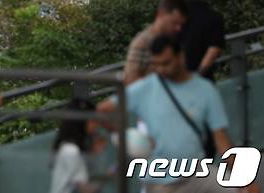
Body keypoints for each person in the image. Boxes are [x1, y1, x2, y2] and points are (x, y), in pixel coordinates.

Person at [98, 36, 260, 193]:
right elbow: (102, 110)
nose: (161, 69)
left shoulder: (204, 90)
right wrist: (125, 136)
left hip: (196, 172)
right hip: (161, 180)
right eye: (156, 65)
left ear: (180, 56)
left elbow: (221, 139)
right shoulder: (145, 88)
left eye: (166, 63)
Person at [124, 0, 189, 84]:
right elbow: (130, 79)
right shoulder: (142, 42)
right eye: (174, 23)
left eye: (181, 24)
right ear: (161, 14)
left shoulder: (175, 39)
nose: (178, 28)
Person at [50, 98, 105, 193]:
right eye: (94, 120)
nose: (96, 124)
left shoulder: (70, 147)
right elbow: (84, 188)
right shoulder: (71, 150)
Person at [180, 0, 226, 82]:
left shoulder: (174, 16)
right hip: (204, 82)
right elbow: (213, 51)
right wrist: (196, 78)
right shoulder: (215, 18)